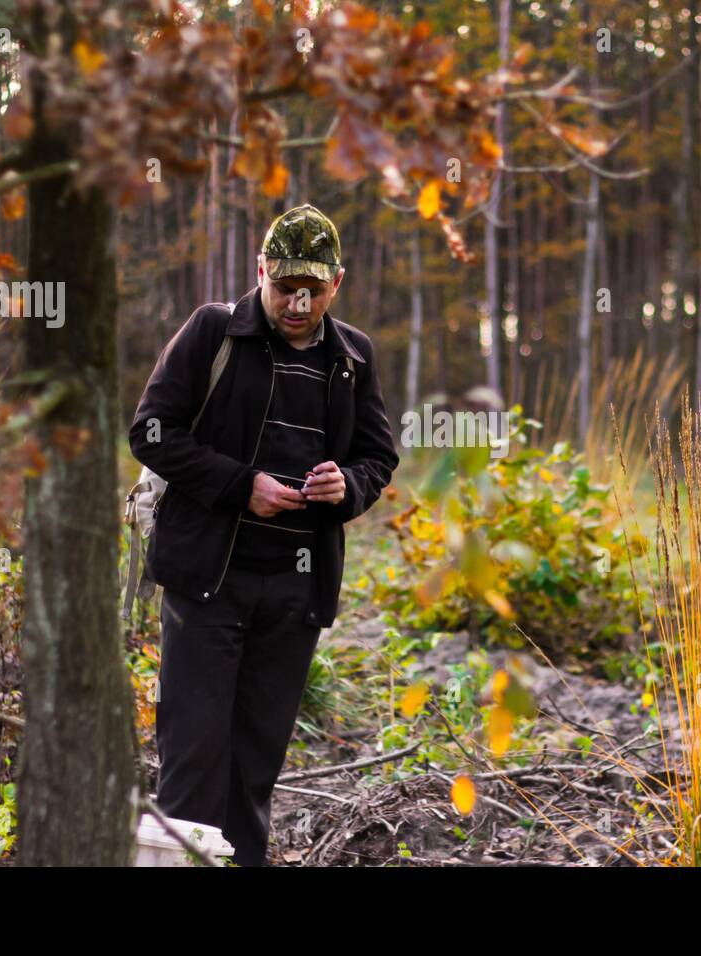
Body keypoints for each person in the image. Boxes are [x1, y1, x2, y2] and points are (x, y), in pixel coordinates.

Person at [128, 204, 399, 865]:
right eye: (284, 288)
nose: (298, 302)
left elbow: (378, 455)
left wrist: (349, 488)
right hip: (206, 583)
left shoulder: (353, 356)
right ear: (260, 274)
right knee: (193, 758)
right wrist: (240, 483)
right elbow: (152, 432)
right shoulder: (214, 333)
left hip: (294, 593)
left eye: (312, 288)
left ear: (338, 282)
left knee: (254, 768)